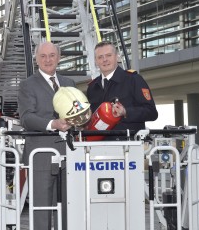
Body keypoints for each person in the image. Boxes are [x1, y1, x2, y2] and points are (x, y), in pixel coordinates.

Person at [18, 41, 75, 230]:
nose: (47, 60)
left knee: (68, 207)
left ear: (58, 58)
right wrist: (53, 124)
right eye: (43, 56)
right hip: (40, 155)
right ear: (36, 60)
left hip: (69, 154)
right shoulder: (27, 85)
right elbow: (26, 118)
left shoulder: (69, 83)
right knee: (42, 209)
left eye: (51, 55)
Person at [87, 40, 158, 139]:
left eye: (108, 55)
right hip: (98, 148)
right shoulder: (92, 87)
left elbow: (152, 113)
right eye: (100, 57)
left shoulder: (133, 80)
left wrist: (126, 112)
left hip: (127, 147)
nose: (105, 60)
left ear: (117, 57)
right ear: (95, 61)